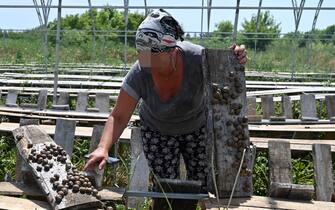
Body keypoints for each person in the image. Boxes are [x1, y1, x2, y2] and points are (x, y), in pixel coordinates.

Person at [84, 9, 247, 191]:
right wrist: (102, 147)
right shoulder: (140, 71)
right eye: (143, 55)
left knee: (202, 185)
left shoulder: (198, 59)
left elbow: (226, 74)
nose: (148, 64)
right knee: (165, 189)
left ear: (171, 50)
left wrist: (235, 58)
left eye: (154, 57)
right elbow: (119, 116)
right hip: (157, 131)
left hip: (196, 127)